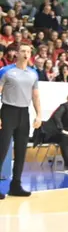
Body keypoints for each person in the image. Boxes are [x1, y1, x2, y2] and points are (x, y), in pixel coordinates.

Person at [0, 44, 42, 198]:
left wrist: (39, 115)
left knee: (21, 150)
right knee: (2, 149)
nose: (26, 53)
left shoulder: (33, 73)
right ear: (16, 53)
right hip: (8, 111)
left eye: (28, 51)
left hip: (24, 113)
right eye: (23, 51)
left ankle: (16, 185)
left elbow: (35, 96)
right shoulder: (6, 71)